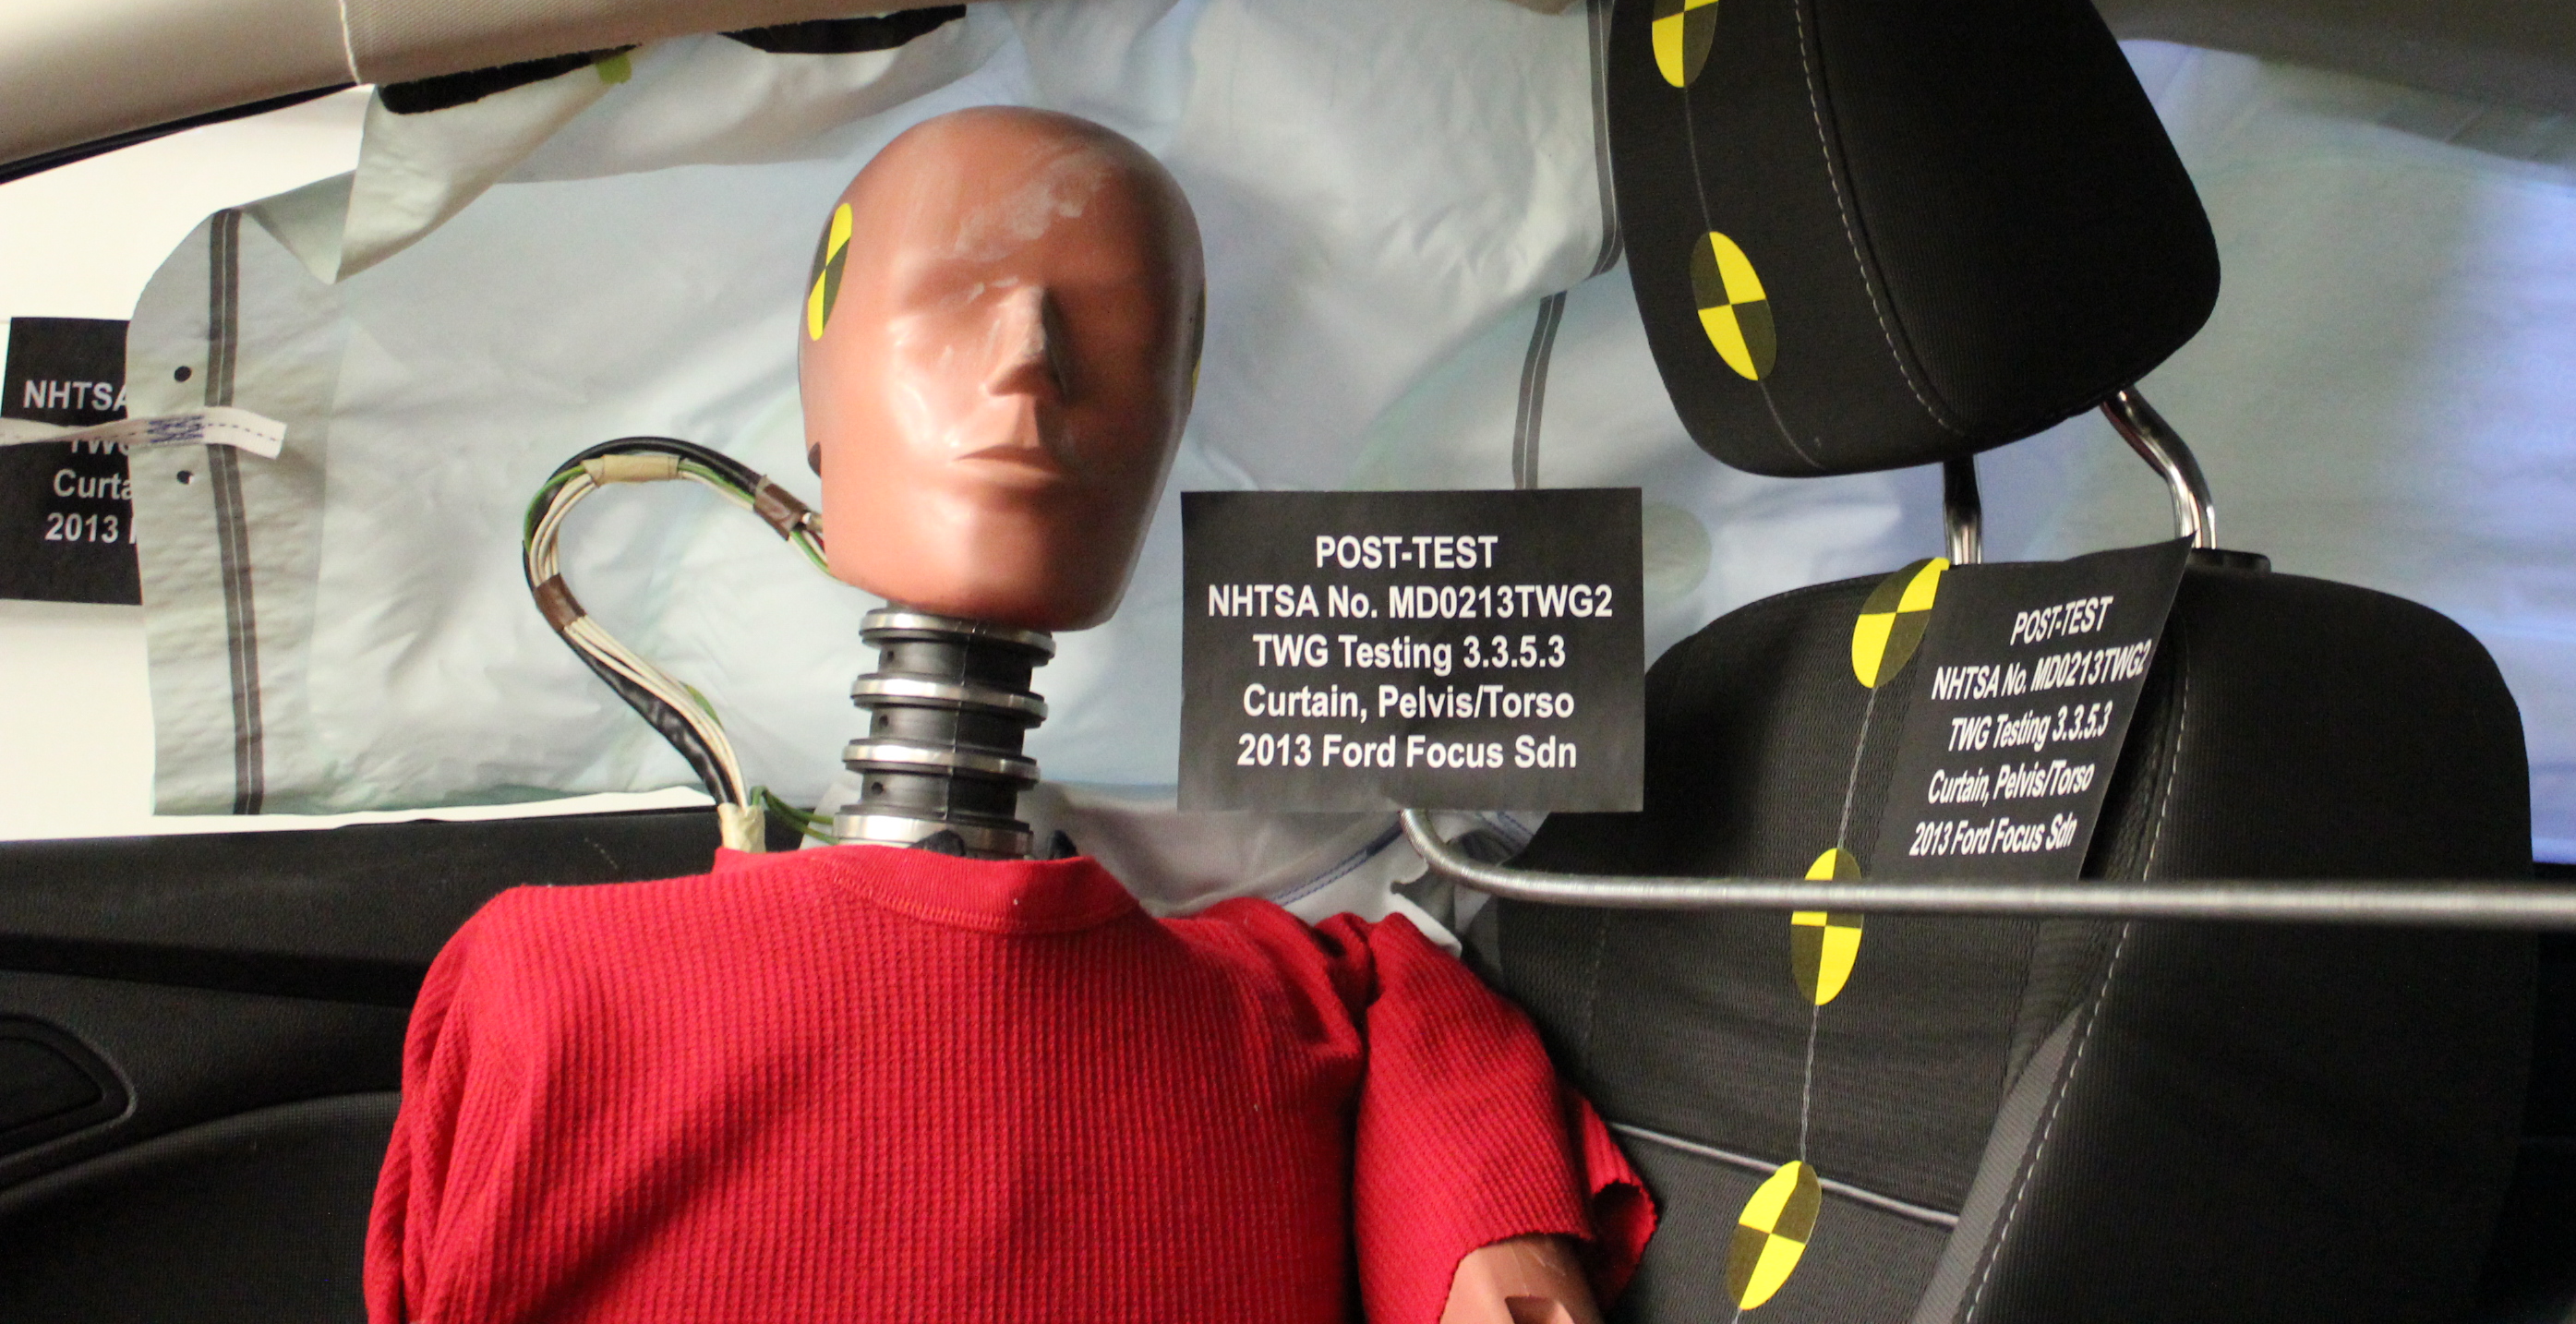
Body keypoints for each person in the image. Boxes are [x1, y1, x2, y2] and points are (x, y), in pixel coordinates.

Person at [365, 107, 1650, 1324]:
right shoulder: (543, 998)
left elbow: (1412, 1008)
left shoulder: (1292, 1005)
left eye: (1119, 325)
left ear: (1174, 416)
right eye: (950, 303)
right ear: (821, 385)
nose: (1029, 355)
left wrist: (1485, 1236)